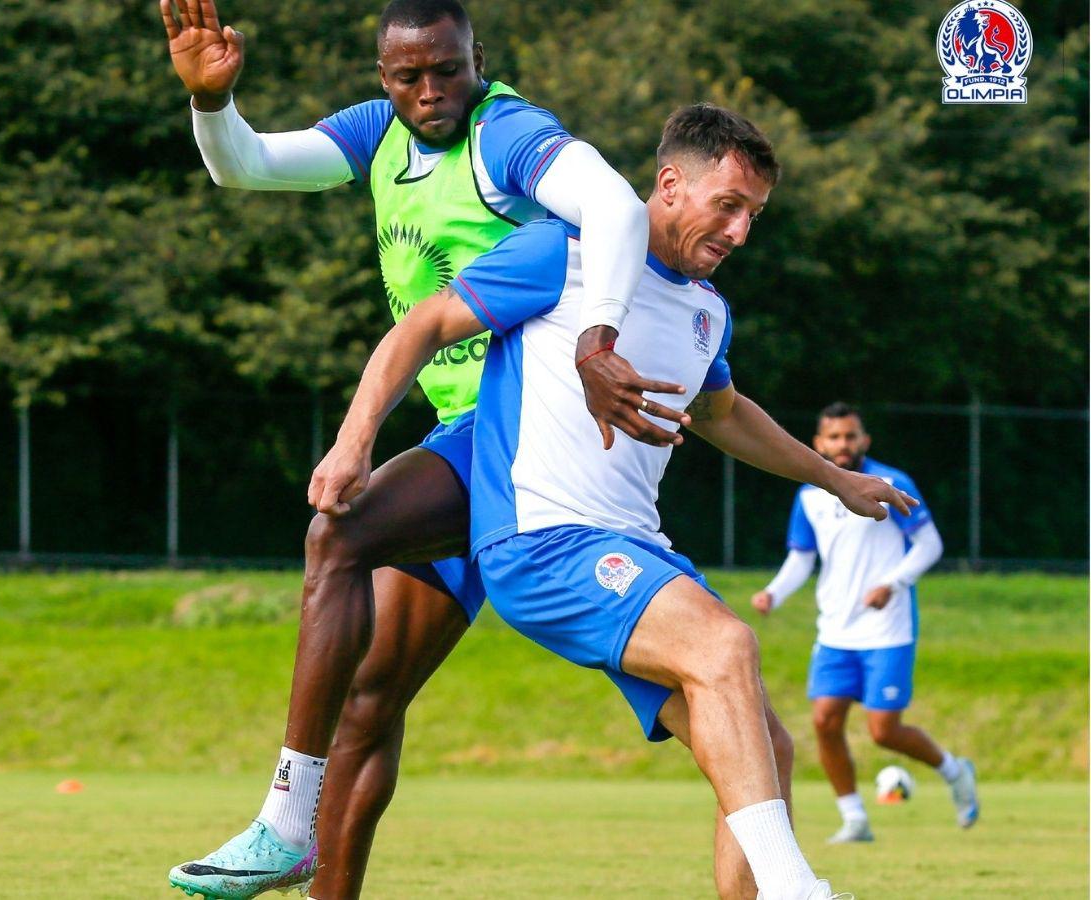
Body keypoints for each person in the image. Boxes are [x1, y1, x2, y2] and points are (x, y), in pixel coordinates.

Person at [309, 103, 917, 900]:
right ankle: (798, 887)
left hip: (635, 551)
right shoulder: (562, 251)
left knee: (764, 751)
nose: (739, 233)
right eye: (727, 206)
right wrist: (354, 442)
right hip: (544, 541)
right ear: (669, 185)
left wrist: (836, 479)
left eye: (753, 216)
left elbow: (724, 415)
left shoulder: (708, 311)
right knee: (727, 645)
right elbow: (424, 323)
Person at [160, 1, 687, 896]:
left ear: (476, 55)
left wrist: (598, 339)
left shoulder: (506, 134)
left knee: (339, 534)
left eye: (448, 69)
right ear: (382, 76)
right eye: (409, 77)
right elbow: (245, 169)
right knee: (368, 700)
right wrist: (214, 105)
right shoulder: (380, 136)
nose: (432, 91)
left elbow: (614, 208)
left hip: (524, 428)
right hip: (466, 439)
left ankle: (285, 819)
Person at [750, 403, 978, 843]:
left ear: (864, 440)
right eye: (833, 437)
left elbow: (929, 544)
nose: (842, 444)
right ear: (818, 443)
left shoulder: (891, 483)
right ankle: (854, 818)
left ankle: (953, 771)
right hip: (835, 628)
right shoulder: (810, 495)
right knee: (824, 721)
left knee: (883, 731)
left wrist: (893, 583)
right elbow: (802, 558)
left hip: (887, 627)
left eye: (850, 436)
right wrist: (774, 592)